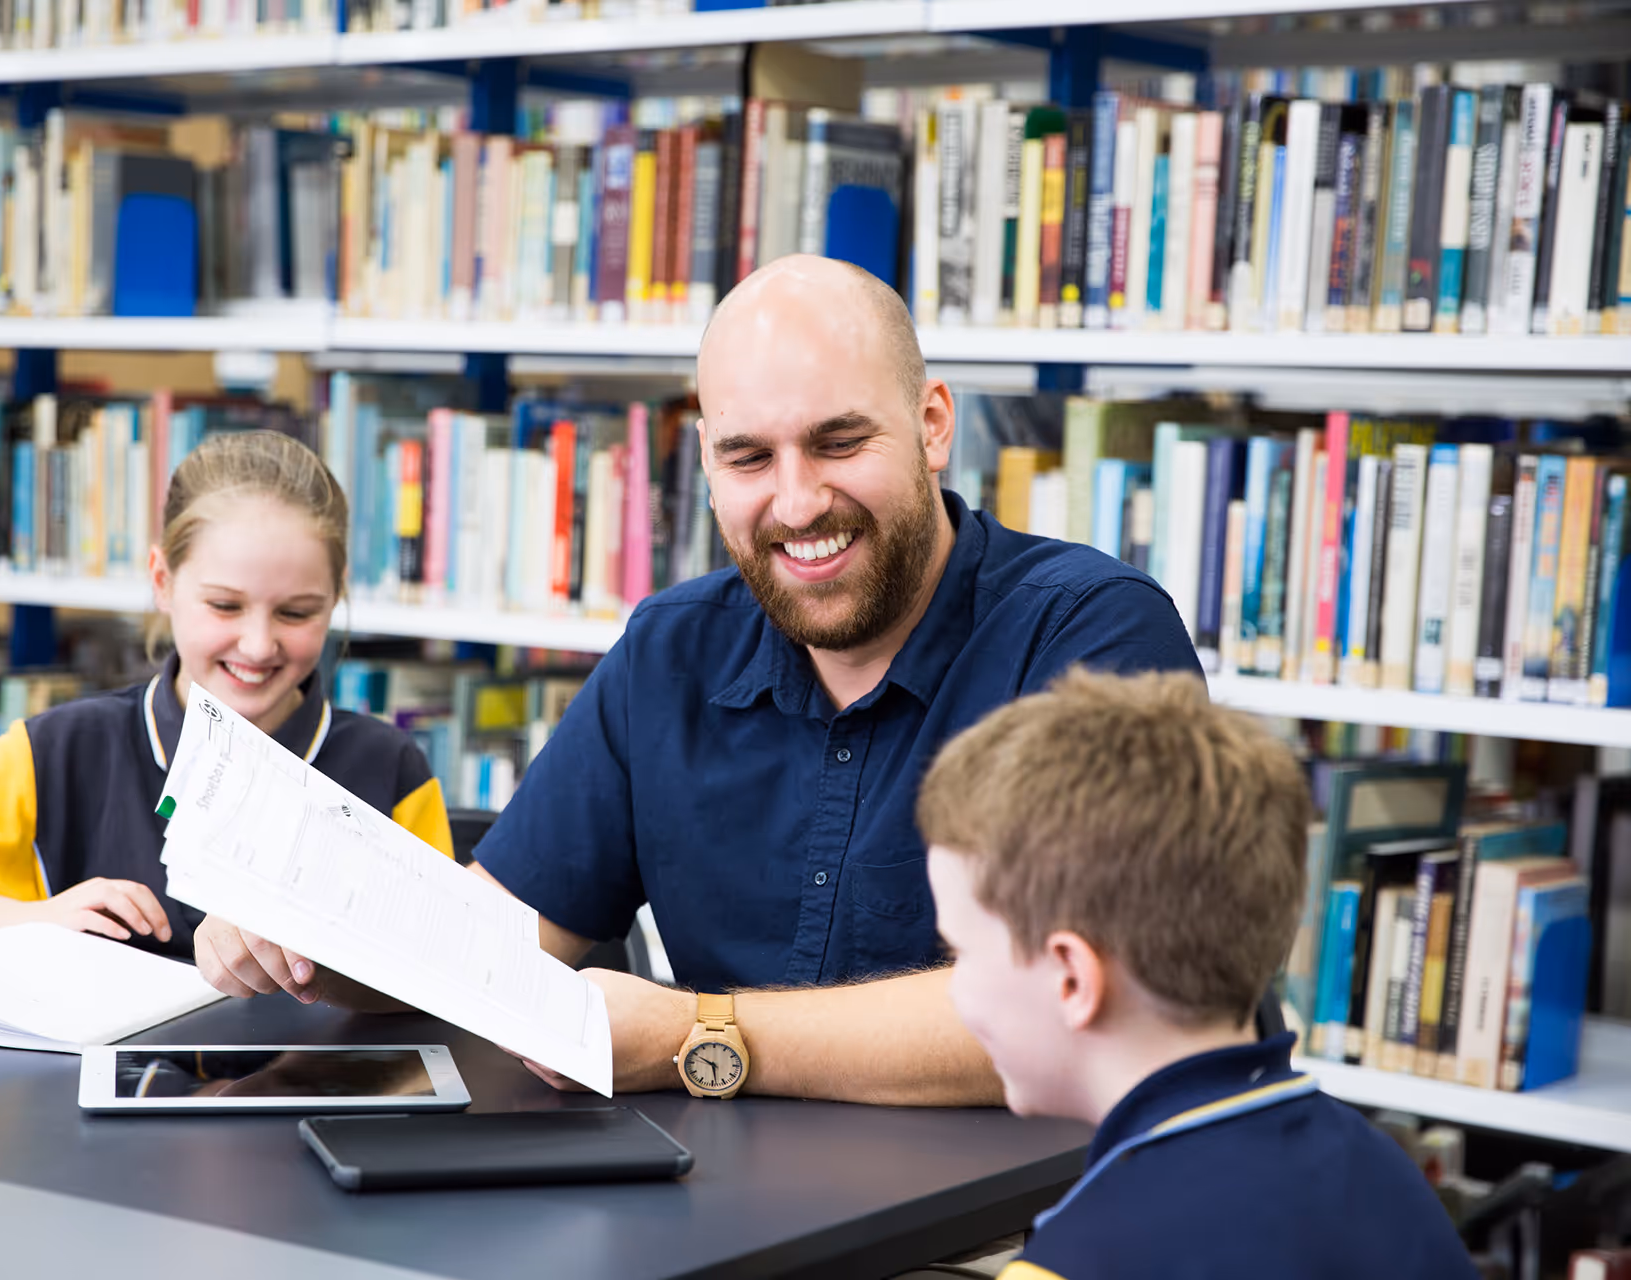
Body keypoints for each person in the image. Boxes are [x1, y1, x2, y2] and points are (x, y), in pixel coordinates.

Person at [196, 254, 1200, 1104]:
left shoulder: (1091, 634)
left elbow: (1079, 1002)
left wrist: (697, 1034)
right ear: (706, 467)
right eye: (749, 457)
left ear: (935, 425)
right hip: (747, 1206)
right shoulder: (672, 648)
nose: (798, 501)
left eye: (840, 441)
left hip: (1035, 1217)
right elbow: (496, 937)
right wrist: (319, 936)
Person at [0, 429, 454, 963]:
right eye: (224, 605)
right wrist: (29, 920)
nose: (257, 645)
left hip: (310, 1111)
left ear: (337, 597)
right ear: (162, 579)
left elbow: (447, 975)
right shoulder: (61, 750)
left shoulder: (389, 771)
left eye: (297, 613)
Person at [918, 668, 1478, 1279]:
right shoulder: (1385, 1172)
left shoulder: (1076, 1259)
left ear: (1072, 979)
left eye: (960, 953)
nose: (956, 987)